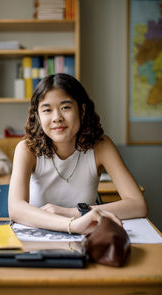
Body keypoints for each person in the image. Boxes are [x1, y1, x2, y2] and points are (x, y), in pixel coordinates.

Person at [8, 73, 147, 235]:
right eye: (47, 110)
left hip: (86, 237)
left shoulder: (101, 146)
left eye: (65, 107)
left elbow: (138, 204)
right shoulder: (26, 149)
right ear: (38, 116)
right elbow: (16, 208)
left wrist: (73, 213)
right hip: (38, 235)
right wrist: (72, 225)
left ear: (81, 110)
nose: (57, 118)